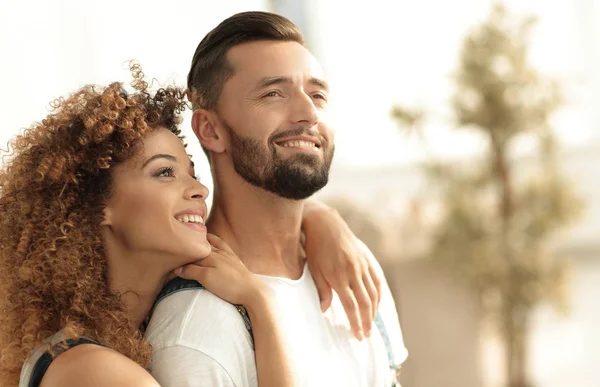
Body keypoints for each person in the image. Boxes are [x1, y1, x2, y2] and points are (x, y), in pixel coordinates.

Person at [0, 64, 379, 387]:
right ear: (97, 207)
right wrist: (261, 304)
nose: (198, 189)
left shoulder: (117, 343)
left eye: (191, 173)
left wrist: (316, 216)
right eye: (165, 172)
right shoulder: (92, 370)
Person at [146, 11, 408, 387]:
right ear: (210, 129)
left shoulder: (353, 268)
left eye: (317, 94)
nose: (308, 113)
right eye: (273, 94)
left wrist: (320, 216)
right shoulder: (195, 331)